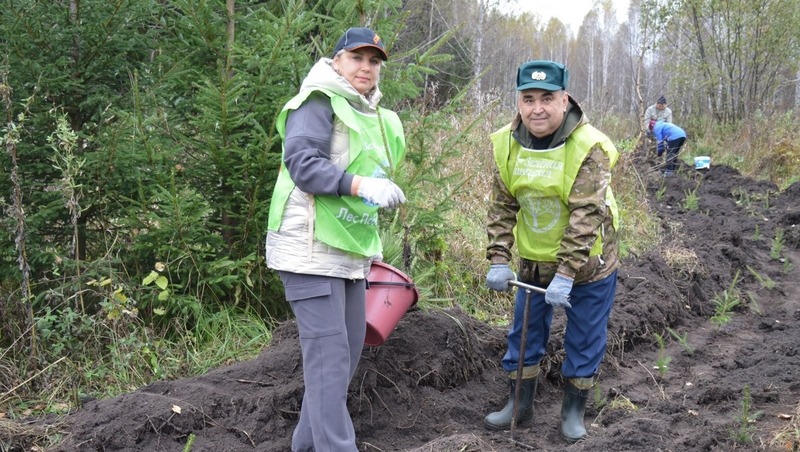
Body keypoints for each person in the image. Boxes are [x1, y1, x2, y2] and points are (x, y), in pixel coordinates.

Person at [266, 27, 407, 452]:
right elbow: (303, 165)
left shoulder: (370, 114)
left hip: (348, 251)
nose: (366, 67)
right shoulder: (316, 101)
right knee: (328, 366)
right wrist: (363, 186)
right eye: (356, 58)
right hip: (307, 251)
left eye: (374, 61)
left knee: (340, 365)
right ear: (337, 61)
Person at [483, 60, 620, 443]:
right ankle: (520, 404)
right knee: (524, 334)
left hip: (589, 263)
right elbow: (502, 205)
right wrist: (498, 258)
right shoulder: (505, 144)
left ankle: (573, 410)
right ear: (519, 102)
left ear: (564, 99)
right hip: (533, 261)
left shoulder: (589, 146)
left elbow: (585, 215)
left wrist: (566, 272)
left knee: (584, 335)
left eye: (546, 98)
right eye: (528, 99)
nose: (537, 108)